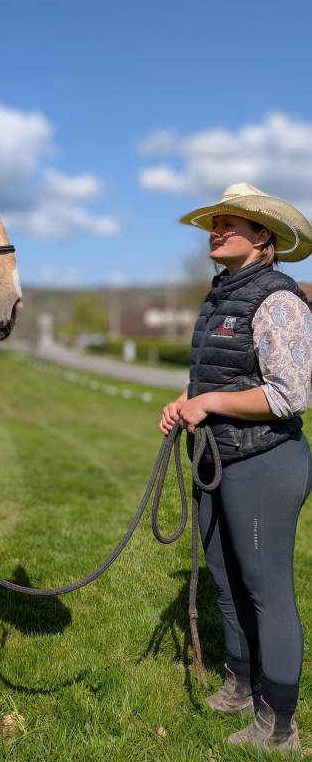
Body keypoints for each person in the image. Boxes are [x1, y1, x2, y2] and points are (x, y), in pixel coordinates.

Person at [159, 182, 312, 752]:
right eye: (214, 222)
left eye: (230, 223)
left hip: (266, 463)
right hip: (219, 460)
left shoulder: (278, 299)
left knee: (266, 589)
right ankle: (241, 685)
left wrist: (210, 404)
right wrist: (186, 399)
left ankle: (279, 727)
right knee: (225, 579)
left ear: (262, 237)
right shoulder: (222, 293)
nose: (216, 230)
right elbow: (218, 377)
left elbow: (291, 393)